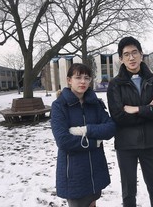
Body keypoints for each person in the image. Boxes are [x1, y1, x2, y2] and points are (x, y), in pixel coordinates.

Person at [107, 36, 153, 207]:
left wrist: (137, 109)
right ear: (121, 58)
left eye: (135, 52)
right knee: (129, 192)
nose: (131, 57)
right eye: (126, 54)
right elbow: (118, 116)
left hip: (149, 144)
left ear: (141, 54)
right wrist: (150, 109)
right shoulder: (115, 85)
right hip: (125, 146)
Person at [51, 63, 116, 207]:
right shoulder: (59, 106)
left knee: (92, 203)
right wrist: (94, 142)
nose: (83, 82)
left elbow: (110, 128)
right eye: (78, 77)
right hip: (74, 171)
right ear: (69, 80)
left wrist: (84, 130)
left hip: (95, 168)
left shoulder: (95, 104)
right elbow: (63, 141)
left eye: (87, 78)